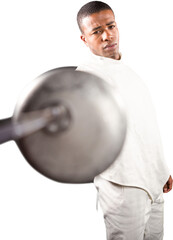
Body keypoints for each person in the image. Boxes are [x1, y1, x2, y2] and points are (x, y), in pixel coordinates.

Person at [76, 1, 172, 240]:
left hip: (152, 182)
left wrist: (161, 170)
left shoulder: (129, 73)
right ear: (84, 39)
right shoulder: (85, 77)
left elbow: (145, 127)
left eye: (111, 26)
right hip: (122, 187)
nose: (107, 35)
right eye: (96, 32)